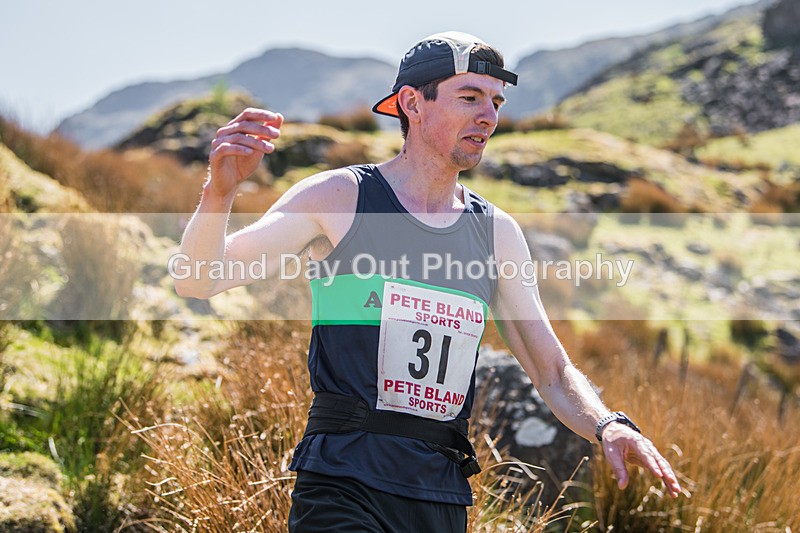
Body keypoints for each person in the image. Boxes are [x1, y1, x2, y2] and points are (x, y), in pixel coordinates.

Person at [175, 31, 681, 532]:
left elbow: (551, 371)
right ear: (412, 104)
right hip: (343, 480)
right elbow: (201, 280)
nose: (489, 115)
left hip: (440, 492)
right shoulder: (340, 198)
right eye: (469, 97)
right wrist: (219, 195)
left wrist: (607, 424)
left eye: (496, 101)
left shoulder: (496, 233)